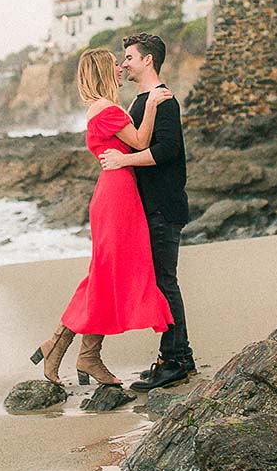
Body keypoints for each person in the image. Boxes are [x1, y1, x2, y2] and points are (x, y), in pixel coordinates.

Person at [30, 47, 175, 387]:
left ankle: (66, 346)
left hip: (118, 194)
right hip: (116, 197)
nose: (122, 68)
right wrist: (152, 105)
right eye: (114, 64)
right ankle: (79, 352)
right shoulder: (106, 109)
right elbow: (140, 142)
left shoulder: (105, 108)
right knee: (106, 275)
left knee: (106, 275)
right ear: (102, 72)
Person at [99, 32, 194, 392]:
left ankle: (175, 361)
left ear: (147, 60)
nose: (124, 64)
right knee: (161, 282)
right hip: (151, 207)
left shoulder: (163, 99)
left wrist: (124, 160)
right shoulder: (144, 101)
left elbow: (168, 149)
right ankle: (179, 356)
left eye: (128, 58)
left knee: (164, 283)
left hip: (164, 206)